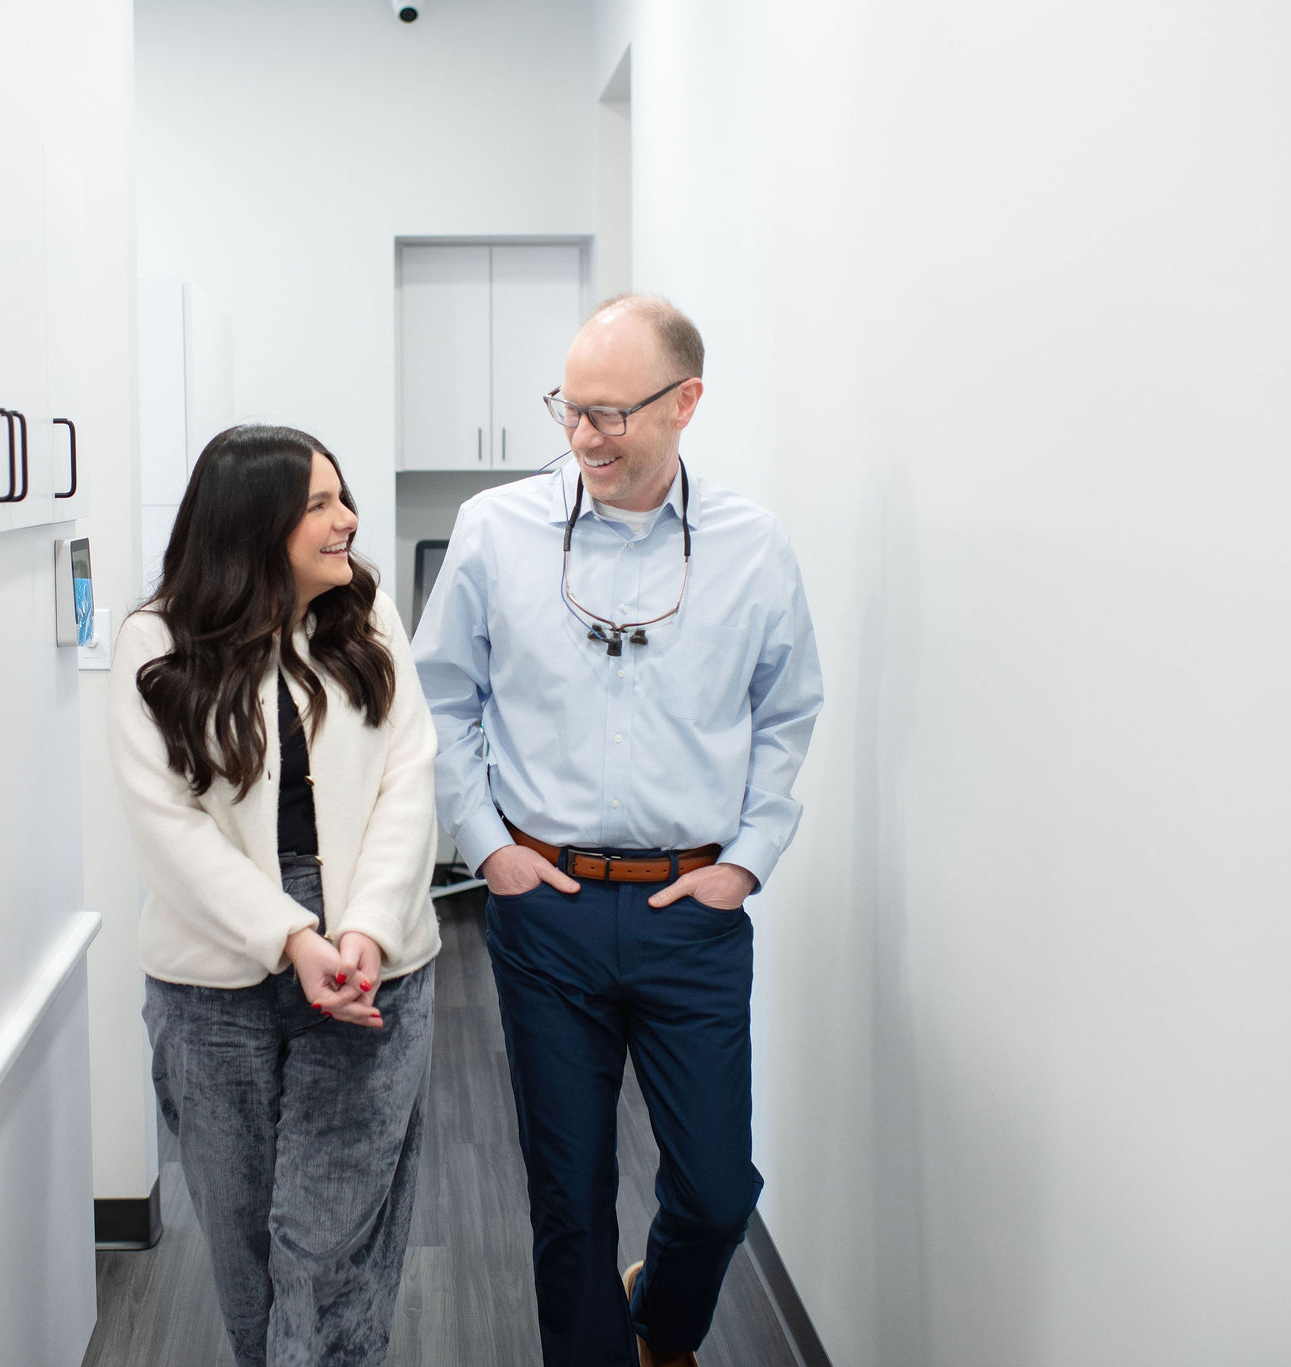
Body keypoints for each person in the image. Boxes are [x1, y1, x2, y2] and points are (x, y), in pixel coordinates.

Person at [412, 296, 823, 1367]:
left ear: (685, 403)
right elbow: (442, 696)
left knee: (715, 1189)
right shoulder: (497, 529)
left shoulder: (749, 545)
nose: (585, 437)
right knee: (567, 1192)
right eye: (570, 410)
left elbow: (786, 713)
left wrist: (745, 862)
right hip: (543, 906)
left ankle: (662, 1328)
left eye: (612, 413)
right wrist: (487, 847)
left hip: (689, 912)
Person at [109, 424, 441, 1367]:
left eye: (344, 497)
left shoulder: (366, 620)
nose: (349, 522)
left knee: (331, 1241)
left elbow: (407, 781)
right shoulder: (157, 642)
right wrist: (293, 937)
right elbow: (169, 828)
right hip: (215, 983)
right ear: (253, 528)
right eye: (320, 506)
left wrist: (365, 927)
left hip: (371, 964)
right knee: (249, 1249)